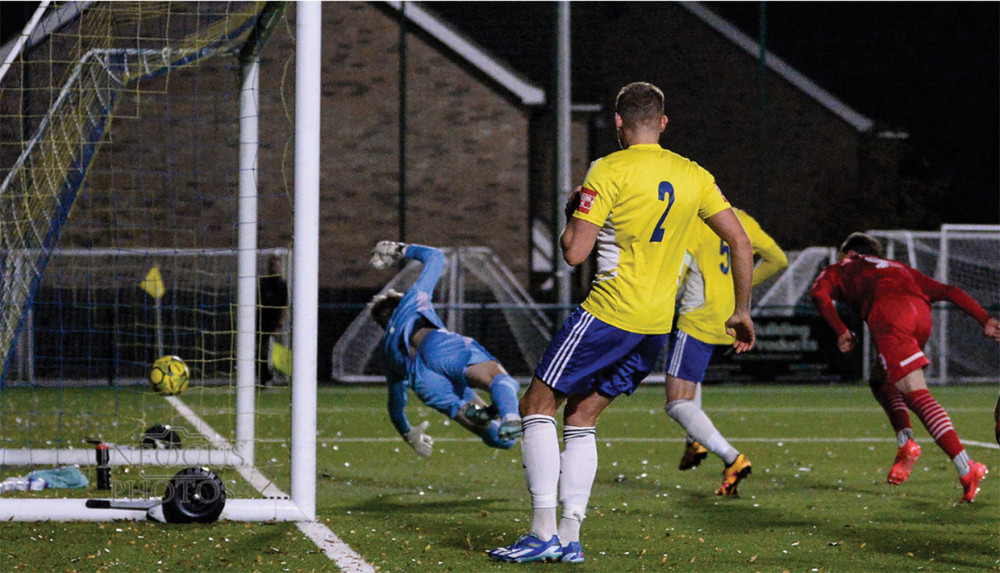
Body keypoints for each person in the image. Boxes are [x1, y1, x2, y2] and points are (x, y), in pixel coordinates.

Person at [488, 82, 756, 564]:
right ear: (664, 123)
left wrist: (575, 210)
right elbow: (739, 241)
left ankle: (542, 530)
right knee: (581, 417)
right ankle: (569, 537)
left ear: (617, 123)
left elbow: (573, 253)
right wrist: (741, 310)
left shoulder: (608, 169)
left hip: (609, 312)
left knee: (536, 403)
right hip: (655, 325)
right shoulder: (693, 174)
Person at [810, 232, 999, 502]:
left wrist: (840, 330)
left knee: (914, 391)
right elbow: (949, 291)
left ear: (851, 253)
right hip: (920, 316)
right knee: (880, 379)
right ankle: (906, 443)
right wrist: (985, 320)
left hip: (889, 313)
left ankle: (966, 467)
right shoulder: (899, 268)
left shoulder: (842, 267)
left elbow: (818, 293)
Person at [664, 208, 787, 495]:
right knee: (689, 387)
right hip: (727, 317)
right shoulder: (745, 220)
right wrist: (740, 283)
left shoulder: (694, 221)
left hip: (697, 319)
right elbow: (778, 259)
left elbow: (677, 274)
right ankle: (695, 441)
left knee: (676, 402)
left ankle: (732, 459)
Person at [368, 241, 524, 455]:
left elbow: (395, 406)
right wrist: (398, 249)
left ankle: (488, 415)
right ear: (400, 302)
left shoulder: (388, 355)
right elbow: (435, 256)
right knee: (499, 380)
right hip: (436, 346)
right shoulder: (411, 300)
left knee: (503, 440)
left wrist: (408, 433)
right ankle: (510, 416)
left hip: (426, 384)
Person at [258, 255, 288, 385]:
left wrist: (280, 321)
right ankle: (264, 377)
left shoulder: (282, 284)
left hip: (275, 321)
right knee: (261, 349)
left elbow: (283, 305)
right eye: (273, 265)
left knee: (278, 349)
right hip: (263, 320)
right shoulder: (263, 282)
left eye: (277, 265)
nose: (276, 268)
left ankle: (280, 376)